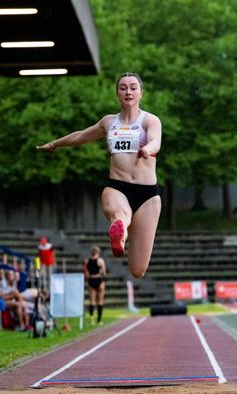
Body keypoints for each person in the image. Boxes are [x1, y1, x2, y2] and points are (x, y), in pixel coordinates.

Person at [37, 72, 162, 279]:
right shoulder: (109, 122)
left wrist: (147, 149)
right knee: (120, 214)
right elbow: (80, 135)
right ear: (117, 93)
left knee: (138, 270)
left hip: (148, 195)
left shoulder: (150, 120)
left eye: (133, 87)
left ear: (141, 92)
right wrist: (55, 144)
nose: (128, 92)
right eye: (123, 88)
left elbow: (155, 140)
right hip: (118, 187)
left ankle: (121, 233)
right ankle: (120, 227)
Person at [83, 246, 107, 325]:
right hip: (99, 280)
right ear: (98, 252)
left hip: (91, 281)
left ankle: (91, 319)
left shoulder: (87, 261)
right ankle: (99, 320)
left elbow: (86, 274)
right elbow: (104, 273)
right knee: (100, 302)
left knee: (92, 301)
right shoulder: (100, 260)